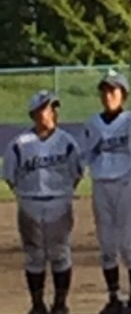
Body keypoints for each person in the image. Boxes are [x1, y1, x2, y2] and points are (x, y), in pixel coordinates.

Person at [4, 90, 83, 314]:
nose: (51, 113)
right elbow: (10, 176)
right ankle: (37, 304)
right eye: (46, 108)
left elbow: (76, 173)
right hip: (30, 202)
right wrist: (25, 195)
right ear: (34, 113)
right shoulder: (19, 144)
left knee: (60, 253)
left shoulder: (67, 142)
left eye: (53, 108)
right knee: (34, 255)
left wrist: (63, 194)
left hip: (59, 201)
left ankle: (60, 303)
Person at [84, 69, 131, 314]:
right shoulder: (92, 124)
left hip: (125, 183)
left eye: (114, 90)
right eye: (105, 90)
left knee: (129, 242)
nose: (109, 95)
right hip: (101, 184)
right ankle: (113, 297)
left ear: (123, 94)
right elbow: (88, 157)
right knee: (107, 243)